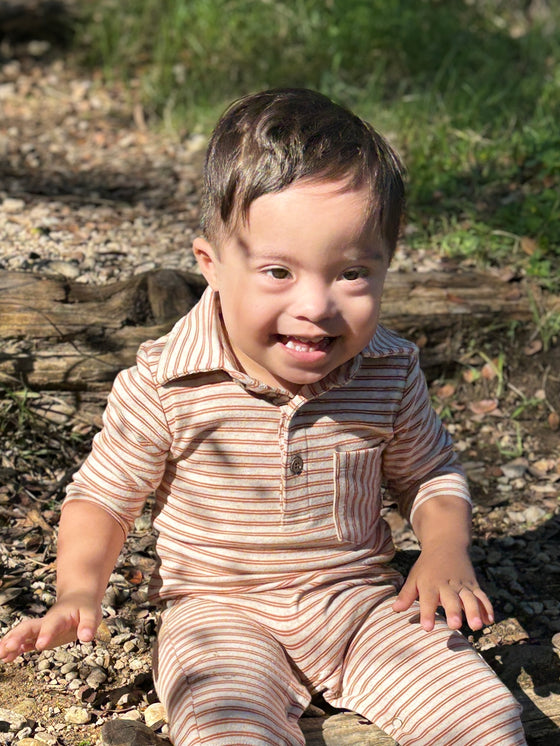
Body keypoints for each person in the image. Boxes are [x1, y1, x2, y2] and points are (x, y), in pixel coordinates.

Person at [0, 88, 526, 746]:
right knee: (228, 729)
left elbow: (432, 476)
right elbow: (102, 498)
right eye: (279, 271)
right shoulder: (168, 382)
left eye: (353, 273)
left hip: (358, 604)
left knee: (485, 717)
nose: (317, 305)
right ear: (211, 267)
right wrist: (77, 591)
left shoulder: (388, 370)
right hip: (220, 614)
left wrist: (445, 550)